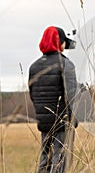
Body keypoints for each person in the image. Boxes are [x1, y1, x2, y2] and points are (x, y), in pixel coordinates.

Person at [28, 26, 78, 173]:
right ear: (60, 42)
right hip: (62, 122)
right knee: (60, 161)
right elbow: (71, 96)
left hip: (43, 122)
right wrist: (73, 121)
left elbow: (33, 95)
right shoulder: (66, 64)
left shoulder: (34, 66)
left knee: (45, 160)